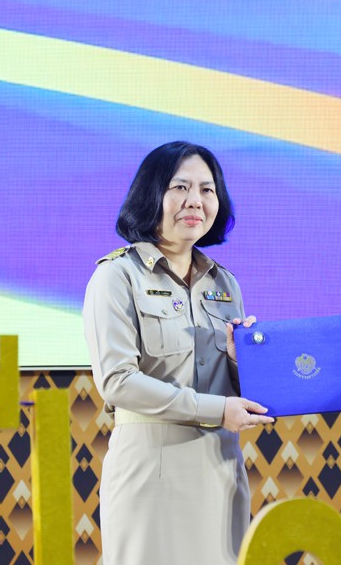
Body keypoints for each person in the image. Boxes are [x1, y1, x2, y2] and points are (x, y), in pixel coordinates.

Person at [83, 141, 273, 564]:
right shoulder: (117, 276)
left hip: (220, 468)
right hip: (150, 469)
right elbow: (117, 382)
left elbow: (238, 388)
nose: (195, 201)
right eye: (180, 187)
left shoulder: (224, 284)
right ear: (151, 194)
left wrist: (239, 362)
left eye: (207, 190)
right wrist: (216, 409)